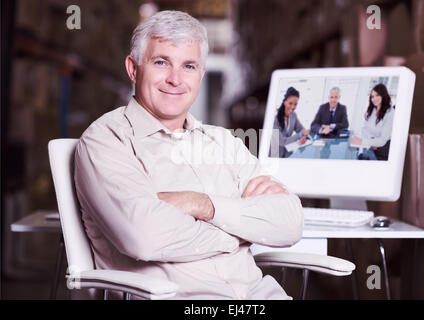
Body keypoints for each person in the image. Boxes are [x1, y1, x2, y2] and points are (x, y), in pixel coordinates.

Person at [74, 10, 303, 300]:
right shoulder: (107, 141)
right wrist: (244, 230)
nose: (175, 79)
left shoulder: (222, 141)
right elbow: (145, 237)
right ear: (133, 68)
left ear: (201, 74)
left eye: (189, 66)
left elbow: (291, 222)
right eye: (161, 62)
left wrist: (202, 205)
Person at [350, 83, 394, 160]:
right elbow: (365, 129)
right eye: (372, 96)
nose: (374, 99)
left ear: (383, 95)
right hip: (372, 146)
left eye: (377, 95)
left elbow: (383, 140)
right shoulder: (372, 110)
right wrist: (371, 141)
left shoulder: (390, 113)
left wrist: (362, 141)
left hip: (383, 150)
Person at [270, 87, 311, 158]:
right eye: (290, 103)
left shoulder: (293, 116)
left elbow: (302, 129)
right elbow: (282, 142)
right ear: (284, 102)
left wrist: (303, 137)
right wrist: (300, 135)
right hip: (274, 156)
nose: (293, 107)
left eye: (295, 104)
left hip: (287, 154)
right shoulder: (275, 118)